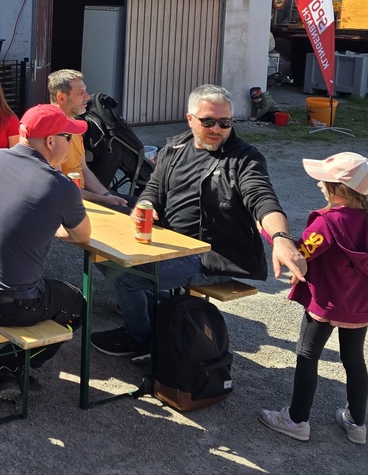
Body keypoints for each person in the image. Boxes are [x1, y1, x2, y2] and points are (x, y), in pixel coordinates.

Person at [91, 84, 309, 360]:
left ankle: (141, 339)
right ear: (190, 119)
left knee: (127, 277)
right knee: (104, 258)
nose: (217, 129)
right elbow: (153, 188)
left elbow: (262, 198)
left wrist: (281, 239)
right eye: (208, 121)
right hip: (170, 241)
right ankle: (163, 316)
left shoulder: (244, 159)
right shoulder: (175, 148)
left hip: (211, 256)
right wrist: (146, 205)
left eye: (225, 122)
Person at [0, 104, 91, 400]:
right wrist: (54, 223)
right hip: (7, 305)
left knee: (19, 282)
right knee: (77, 304)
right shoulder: (61, 187)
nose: (72, 143)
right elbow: (82, 236)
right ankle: (11, 365)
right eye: (68, 137)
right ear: (50, 141)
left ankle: (0, 361)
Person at [258, 152, 368, 445]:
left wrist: (269, 233)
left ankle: (296, 420)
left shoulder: (328, 222)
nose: (319, 183)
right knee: (354, 360)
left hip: (326, 304)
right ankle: (356, 424)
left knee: (307, 356)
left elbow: (300, 254)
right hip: (359, 308)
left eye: (324, 180)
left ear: (340, 189)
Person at [48, 69, 130, 209]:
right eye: (80, 93)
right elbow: (60, 188)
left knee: (141, 205)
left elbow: (84, 169)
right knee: (131, 214)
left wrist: (106, 195)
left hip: (82, 193)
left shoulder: (74, 124)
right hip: (70, 201)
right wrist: (102, 199)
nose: (87, 97)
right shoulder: (52, 131)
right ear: (61, 98)